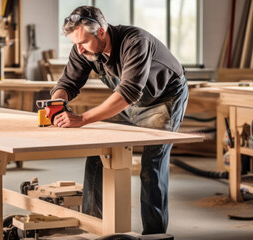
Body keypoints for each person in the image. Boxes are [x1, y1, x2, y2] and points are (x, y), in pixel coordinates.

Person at [49, 6, 188, 234]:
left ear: (101, 32)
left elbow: (129, 93)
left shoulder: (135, 42)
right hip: (127, 102)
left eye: (83, 42)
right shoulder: (83, 48)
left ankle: (155, 235)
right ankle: (93, 229)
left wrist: (83, 118)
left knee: (152, 165)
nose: (80, 50)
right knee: (97, 152)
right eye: (75, 44)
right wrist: (57, 104)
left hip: (164, 98)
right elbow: (67, 83)